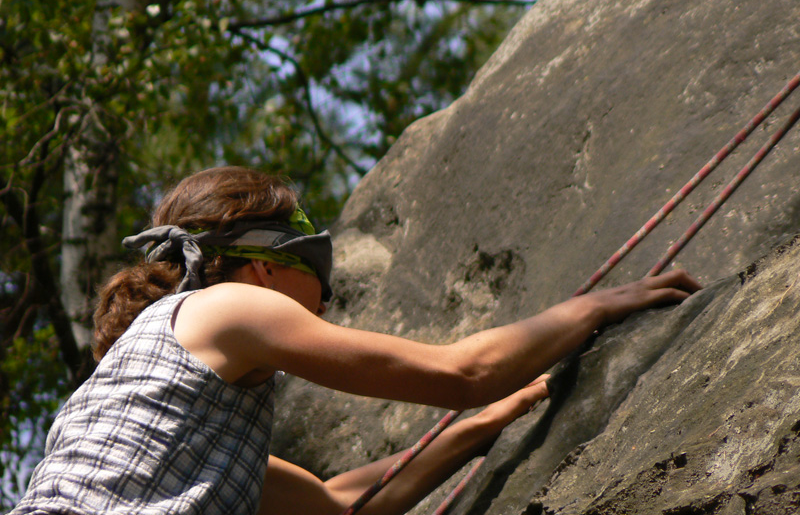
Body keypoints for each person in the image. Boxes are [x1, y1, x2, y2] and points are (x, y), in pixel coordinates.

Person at [9, 166, 701, 515]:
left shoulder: (178, 428)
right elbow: (462, 371)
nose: (326, 294)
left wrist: (486, 425)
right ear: (264, 265)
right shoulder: (227, 308)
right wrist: (600, 304)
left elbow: (341, 505)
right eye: (316, 270)